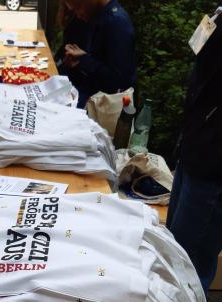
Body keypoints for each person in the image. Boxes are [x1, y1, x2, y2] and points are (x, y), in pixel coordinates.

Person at [166, 6, 222, 297]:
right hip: (194, 150)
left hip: (212, 166)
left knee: (189, 264)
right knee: (172, 249)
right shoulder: (218, 12)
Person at [60, 0, 136, 108]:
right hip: (93, 97)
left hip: (108, 109)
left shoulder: (116, 23)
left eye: (78, 8)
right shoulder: (100, 16)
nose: (78, 15)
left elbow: (118, 82)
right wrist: (81, 59)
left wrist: (84, 60)